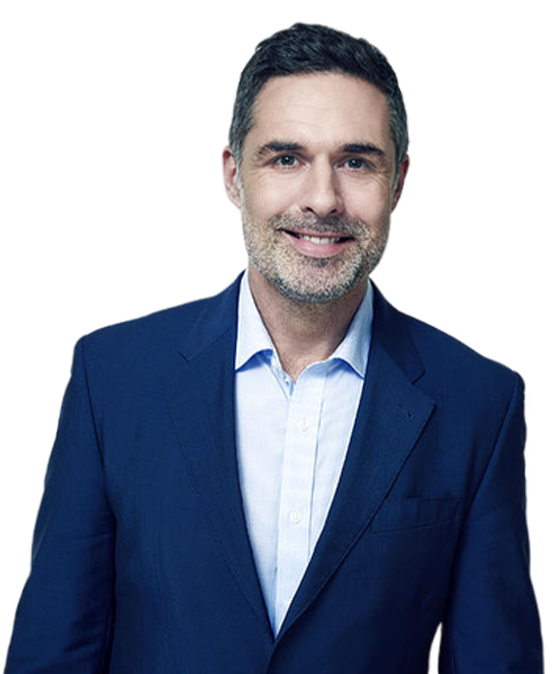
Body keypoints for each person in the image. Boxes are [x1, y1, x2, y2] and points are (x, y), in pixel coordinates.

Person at [3, 21, 545, 674]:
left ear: (400, 183)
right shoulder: (113, 378)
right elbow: (53, 654)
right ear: (233, 177)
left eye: (356, 161)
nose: (322, 199)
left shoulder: (479, 403)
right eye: (286, 158)